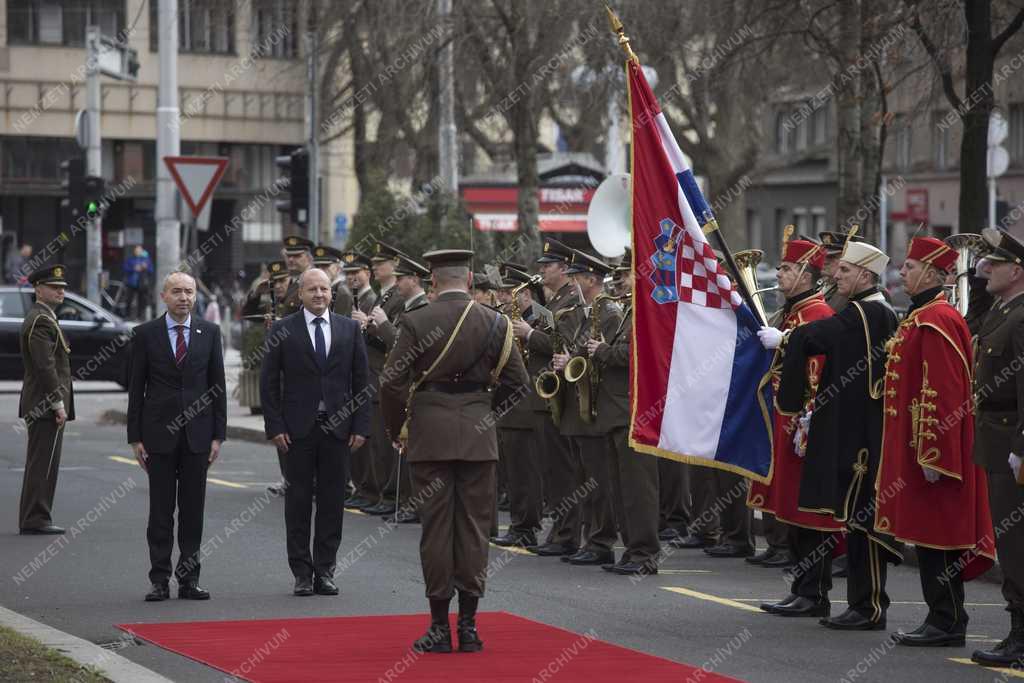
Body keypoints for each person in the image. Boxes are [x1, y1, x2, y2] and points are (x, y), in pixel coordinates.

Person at [380, 249, 527, 654]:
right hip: (479, 441)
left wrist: (400, 429)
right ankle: (470, 627)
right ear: (470, 277)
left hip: (430, 438)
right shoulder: (497, 322)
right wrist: (484, 414)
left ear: (432, 280)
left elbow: (391, 385)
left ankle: (439, 628)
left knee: (437, 532)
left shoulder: (416, 321)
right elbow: (518, 383)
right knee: (475, 532)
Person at [762, 238, 899, 631]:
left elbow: (819, 336)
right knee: (848, 516)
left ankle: (868, 605)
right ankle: (829, 596)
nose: (835, 274)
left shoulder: (868, 312)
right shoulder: (860, 310)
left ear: (866, 275)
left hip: (863, 434)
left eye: (844, 270)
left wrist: (786, 340)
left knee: (861, 521)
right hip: (851, 428)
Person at [870, 237, 996, 647]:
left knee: (939, 536)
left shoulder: (937, 319)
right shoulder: (923, 315)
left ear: (932, 272)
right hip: (917, 450)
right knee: (928, 535)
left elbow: (941, 391)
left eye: (909, 266)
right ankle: (942, 617)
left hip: (935, 454)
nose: (901, 273)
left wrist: (934, 452)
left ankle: (947, 619)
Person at [261, 268, 370, 597]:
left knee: (332, 502)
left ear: (330, 293)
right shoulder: (283, 329)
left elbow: (362, 382)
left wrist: (361, 426)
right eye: (312, 290)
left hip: (338, 429)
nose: (320, 294)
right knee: (297, 502)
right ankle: (302, 573)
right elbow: (269, 384)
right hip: (296, 431)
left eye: (324, 289)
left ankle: (325, 570)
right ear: (301, 294)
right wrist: (275, 426)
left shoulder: (349, 329)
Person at [751, 238, 842, 617]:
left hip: (806, 429)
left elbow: (817, 375)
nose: (781, 274)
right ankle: (802, 587)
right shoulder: (793, 312)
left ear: (807, 273)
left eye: (788, 268)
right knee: (793, 512)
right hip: (786, 425)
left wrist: (785, 344)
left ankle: (814, 591)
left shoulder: (817, 313)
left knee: (810, 514)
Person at [127, 271, 226, 602]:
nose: (184, 298)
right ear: (163, 296)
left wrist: (218, 436)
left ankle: (189, 579)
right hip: (159, 435)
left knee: (193, 510)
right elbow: (136, 389)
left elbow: (218, 387)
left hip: (198, 436)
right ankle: (159, 579)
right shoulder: (145, 334)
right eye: (177, 292)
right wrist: (135, 437)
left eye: (189, 292)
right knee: (160, 512)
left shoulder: (210, 332)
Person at [585, 257, 661, 575]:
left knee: (638, 489)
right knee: (621, 489)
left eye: (625, 274)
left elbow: (638, 354)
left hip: (633, 411)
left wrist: (601, 351)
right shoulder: (630, 308)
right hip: (615, 412)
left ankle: (645, 553)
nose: (619, 280)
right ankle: (632, 550)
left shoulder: (649, 309)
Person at [970, 228, 1024, 668]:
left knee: (1017, 542)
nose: (986, 268)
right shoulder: (1003, 311)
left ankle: (1021, 637)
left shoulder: (1023, 318)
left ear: (1017, 270)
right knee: (1010, 540)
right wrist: (974, 282)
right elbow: (973, 329)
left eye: (995, 263)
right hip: (995, 437)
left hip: (1012, 440)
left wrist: (1022, 445)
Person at [511, 239, 583, 557]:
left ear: (564, 269)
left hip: (557, 394)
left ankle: (567, 533)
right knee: (551, 469)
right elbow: (552, 333)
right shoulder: (554, 301)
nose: (541, 270)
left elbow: (563, 343)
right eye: (540, 265)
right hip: (543, 394)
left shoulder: (570, 300)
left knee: (562, 468)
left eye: (547, 265)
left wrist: (529, 334)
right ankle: (559, 530)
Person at [367, 254, 431, 524]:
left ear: (414, 280)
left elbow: (405, 350)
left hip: (412, 386)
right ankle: (406, 502)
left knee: (411, 449)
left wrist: (382, 325)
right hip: (403, 386)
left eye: (402, 278)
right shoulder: (409, 307)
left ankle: (413, 503)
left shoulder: (420, 309)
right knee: (406, 447)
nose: (398, 283)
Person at [18, 264, 74, 535]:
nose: (60, 292)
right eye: (54, 287)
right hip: (44, 406)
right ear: (38, 289)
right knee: (43, 464)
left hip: (42, 405)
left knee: (41, 463)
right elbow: (45, 367)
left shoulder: (45, 317)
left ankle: (35, 516)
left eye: (62, 288)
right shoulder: (41, 320)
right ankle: (36, 518)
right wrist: (58, 404)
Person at [360, 241, 408, 517]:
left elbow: (399, 343)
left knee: (387, 444)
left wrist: (377, 326)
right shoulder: (384, 297)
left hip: (385, 376)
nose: (375, 267)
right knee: (377, 444)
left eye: (381, 263)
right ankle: (381, 493)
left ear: (395, 265)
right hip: (374, 377)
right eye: (375, 264)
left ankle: (391, 495)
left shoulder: (397, 299)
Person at [340, 250, 379, 511]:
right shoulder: (354, 300)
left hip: (371, 375)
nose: (353, 277)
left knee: (369, 439)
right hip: (354, 376)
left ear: (368, 273)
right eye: (349, 274)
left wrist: (365, 324)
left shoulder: (373, 300)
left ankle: (371, 489)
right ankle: (362, 487)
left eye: (358, 273)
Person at [313, 245, 353, 316]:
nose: (321, 270)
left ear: (338, 268)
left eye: (326, 266)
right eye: (317, 266)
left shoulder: (342, 292)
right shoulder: (330, 288)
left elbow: (340, 322)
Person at [123, 245, 154, 319]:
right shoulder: (130, 259)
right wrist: (133, 268)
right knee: (129, 299)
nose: (138, 252)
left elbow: (151, 270)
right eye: (136, 250)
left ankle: (139, 316)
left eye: (139, 250)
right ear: (134, 251)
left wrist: (145, 268)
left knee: (141, 300)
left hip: (142, 283)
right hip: (131, 283)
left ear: (142, 251)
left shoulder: (146, 260)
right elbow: (125, 269)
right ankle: (127, 315)